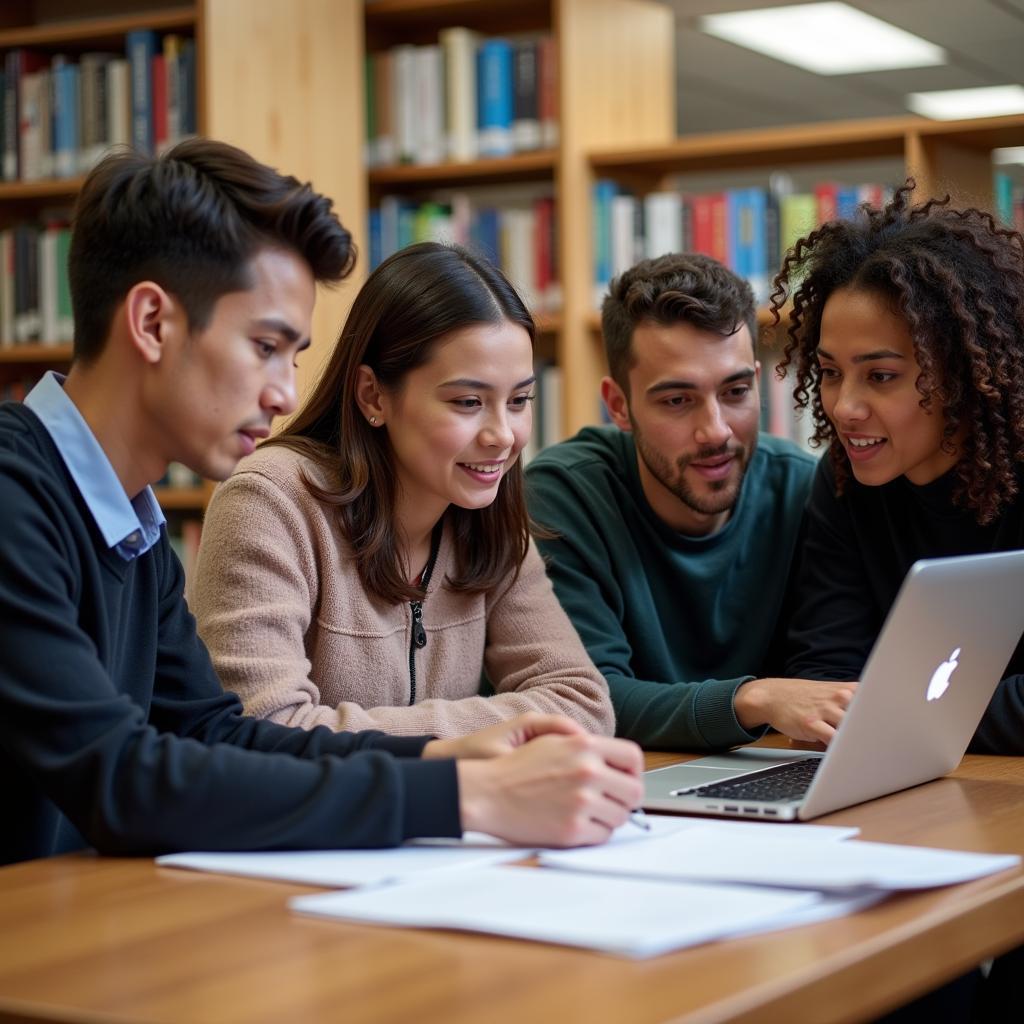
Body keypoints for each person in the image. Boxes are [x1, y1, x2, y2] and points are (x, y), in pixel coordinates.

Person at [0, 139, 643, 867]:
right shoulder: (15, 497)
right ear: (151, 322)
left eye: (295, 356)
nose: (283, 391)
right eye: (265, 346)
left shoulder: (131, 523)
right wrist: (470, 799)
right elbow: (121, 778)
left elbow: (221, 736)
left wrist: (445, 760)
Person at [188, 242, 614, 738]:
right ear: (373, 395)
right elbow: (266, 732)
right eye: (468, 401)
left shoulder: (487, 510)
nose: (502, 435)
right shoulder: (270, 502)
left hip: (434, 813)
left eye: (519, 400)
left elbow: (584, 704)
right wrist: (485, 736)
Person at [526, 253, 856, 750]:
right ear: (619, 405)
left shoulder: (805, 492)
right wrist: (753, 699)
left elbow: (832, 679)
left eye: (736, 390)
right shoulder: (563, 497)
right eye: (677, 400)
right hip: (618, 788)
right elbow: (585, 698)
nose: (716, 431)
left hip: (765, 779)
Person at [777, 183, 1024, 758]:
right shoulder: (844, 481)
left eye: (880, 376)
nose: (842, 407)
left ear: (962, 373)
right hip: (912, 783)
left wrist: (891, 714)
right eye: (831, 372)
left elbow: (855, 709)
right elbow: (824, 678)